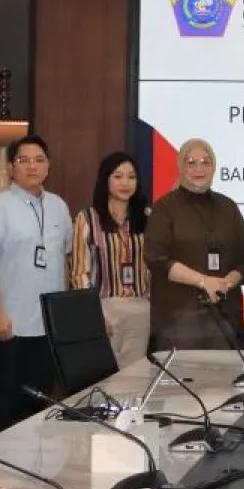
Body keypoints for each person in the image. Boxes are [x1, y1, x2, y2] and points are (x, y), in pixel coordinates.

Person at [0, 135, 72, 422]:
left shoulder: (58, 206)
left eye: (39, 160)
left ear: (48, 167)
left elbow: (64, 261)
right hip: (10, 324)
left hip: (47, 326)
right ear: (11, 167)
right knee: (7, 405)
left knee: (39, 405)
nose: (32, 166)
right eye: (23, 160)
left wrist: (60, 315)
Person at [144, 138, 244, 350]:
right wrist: (203, 281)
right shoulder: (165, 207)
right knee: (184, 370)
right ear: (181, 166)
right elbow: (156, 258)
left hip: (225, 317)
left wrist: (228, 282)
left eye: (205, 162)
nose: (199, 169)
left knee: (224, 370)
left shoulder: (227, 207)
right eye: (191, 162)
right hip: (179, 319)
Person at [68, 152, 151, 369]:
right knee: (103, 377)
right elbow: (79, 273)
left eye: (131, 177)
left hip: (139, 309)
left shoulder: (147, 218)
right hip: (104, 308)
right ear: (105, 179)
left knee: (135, 378)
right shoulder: (88, 218)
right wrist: (93, 314)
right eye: (118, 176)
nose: (126, 183)